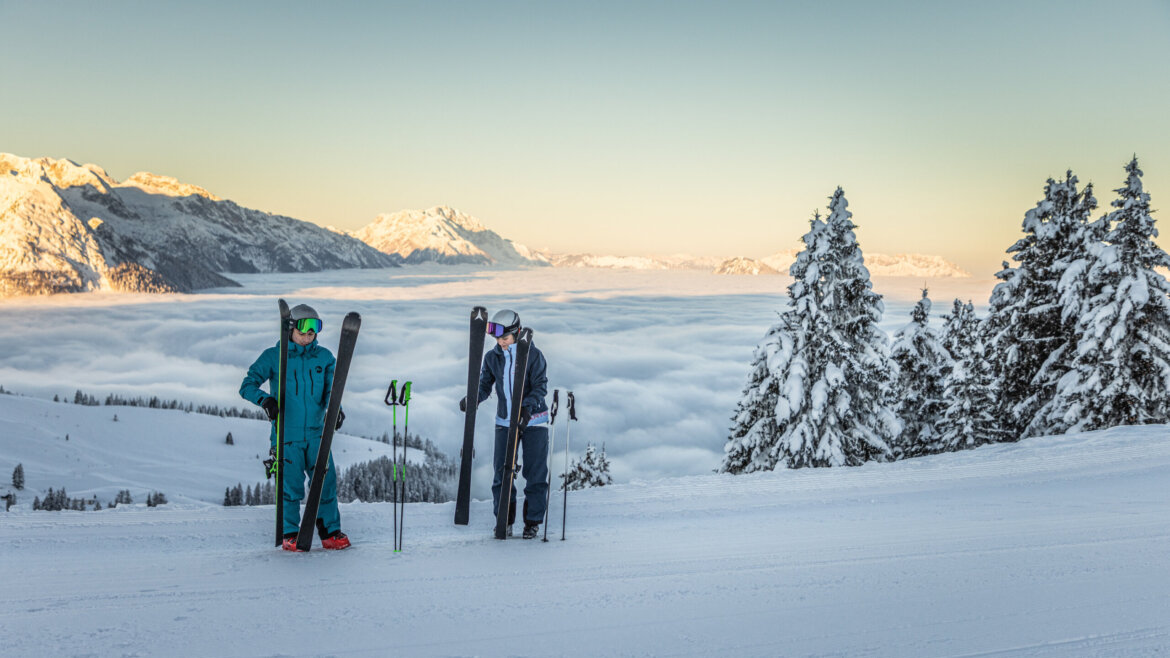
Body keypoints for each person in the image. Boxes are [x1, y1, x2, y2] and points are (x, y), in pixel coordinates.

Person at [240, 303, 350, 551]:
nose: (308, 336)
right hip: (285, 436)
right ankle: (291, 533)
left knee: (326, 483)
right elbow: (247, 385)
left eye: (313, 331)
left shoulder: (325, 358)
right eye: (303, 331)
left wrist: (336, 410)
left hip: (316, 435)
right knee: (290, 488)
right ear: (290, 329)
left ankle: (330, 533)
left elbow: (332, 390)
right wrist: (265, 400)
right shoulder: (273, 357)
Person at [461, 309, 550, 539]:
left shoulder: (533, 355)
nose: (500, 342)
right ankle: (504, 520)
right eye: (498, 338)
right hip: (504, 421)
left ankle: (532, 522)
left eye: (505, 338)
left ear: (517, 333)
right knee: (502, 473)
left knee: (535, 473)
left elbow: (540, 386)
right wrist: (474, 398)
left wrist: (527, 408)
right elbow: (484, 385)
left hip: (534, 421)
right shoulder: (493, 357)